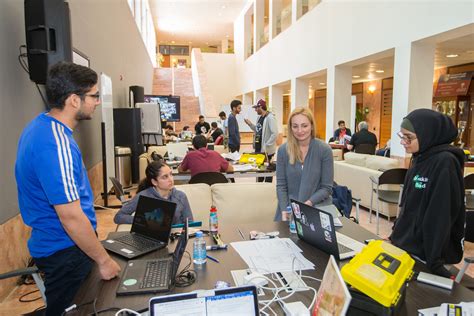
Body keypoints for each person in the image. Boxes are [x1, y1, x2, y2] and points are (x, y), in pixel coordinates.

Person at [15, 62, 121, 315]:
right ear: (74, 100)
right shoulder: (56, 143)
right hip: (66, 251)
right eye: (94, 95)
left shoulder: (39, 127)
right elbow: (71, 217)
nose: (97, 101)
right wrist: (103, 260)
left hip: (59, 247)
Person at [390, 109, 465, 277]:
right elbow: (408, 205)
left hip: (427, 256)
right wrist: (395, 236)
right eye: (402, 136)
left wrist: (434, 262)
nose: (403, 142)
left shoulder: (445, 162)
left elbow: (441, 216)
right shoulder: (418, 157)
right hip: (408, 248)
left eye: (408, 137)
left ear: (428, 135)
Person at [275, 107, 334, 221]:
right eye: (295, 126)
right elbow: (281, 186)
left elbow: (327, 188)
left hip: (317, 209)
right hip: (289, 210)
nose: (300, 130)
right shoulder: (283, 150)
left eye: (304, 125)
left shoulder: (324, 150)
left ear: (312, 126)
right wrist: (284, 210)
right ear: (290, 128)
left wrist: (307, 204)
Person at [114, 162, 193, 225]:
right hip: (152, 240)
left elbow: (190, 223)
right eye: (165, 177)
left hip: (177, 238)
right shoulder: (143, 196)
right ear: (154, 182)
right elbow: (119, 217)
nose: (171, 179)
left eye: (171, 174)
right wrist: (142, 220)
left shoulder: (180, 196)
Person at [244, 99, 278, 182]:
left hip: (267, 151)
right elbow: (257, 129)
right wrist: (250, 124)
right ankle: (259, 186)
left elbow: (275, 133)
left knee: (268, 171)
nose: (255, 110)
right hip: (259, 149)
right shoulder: (259, 117)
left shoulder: (270, 118)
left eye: (256, 108)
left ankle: (267, 187)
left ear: (261, 107)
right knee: (260, 170)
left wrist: (266, 144)